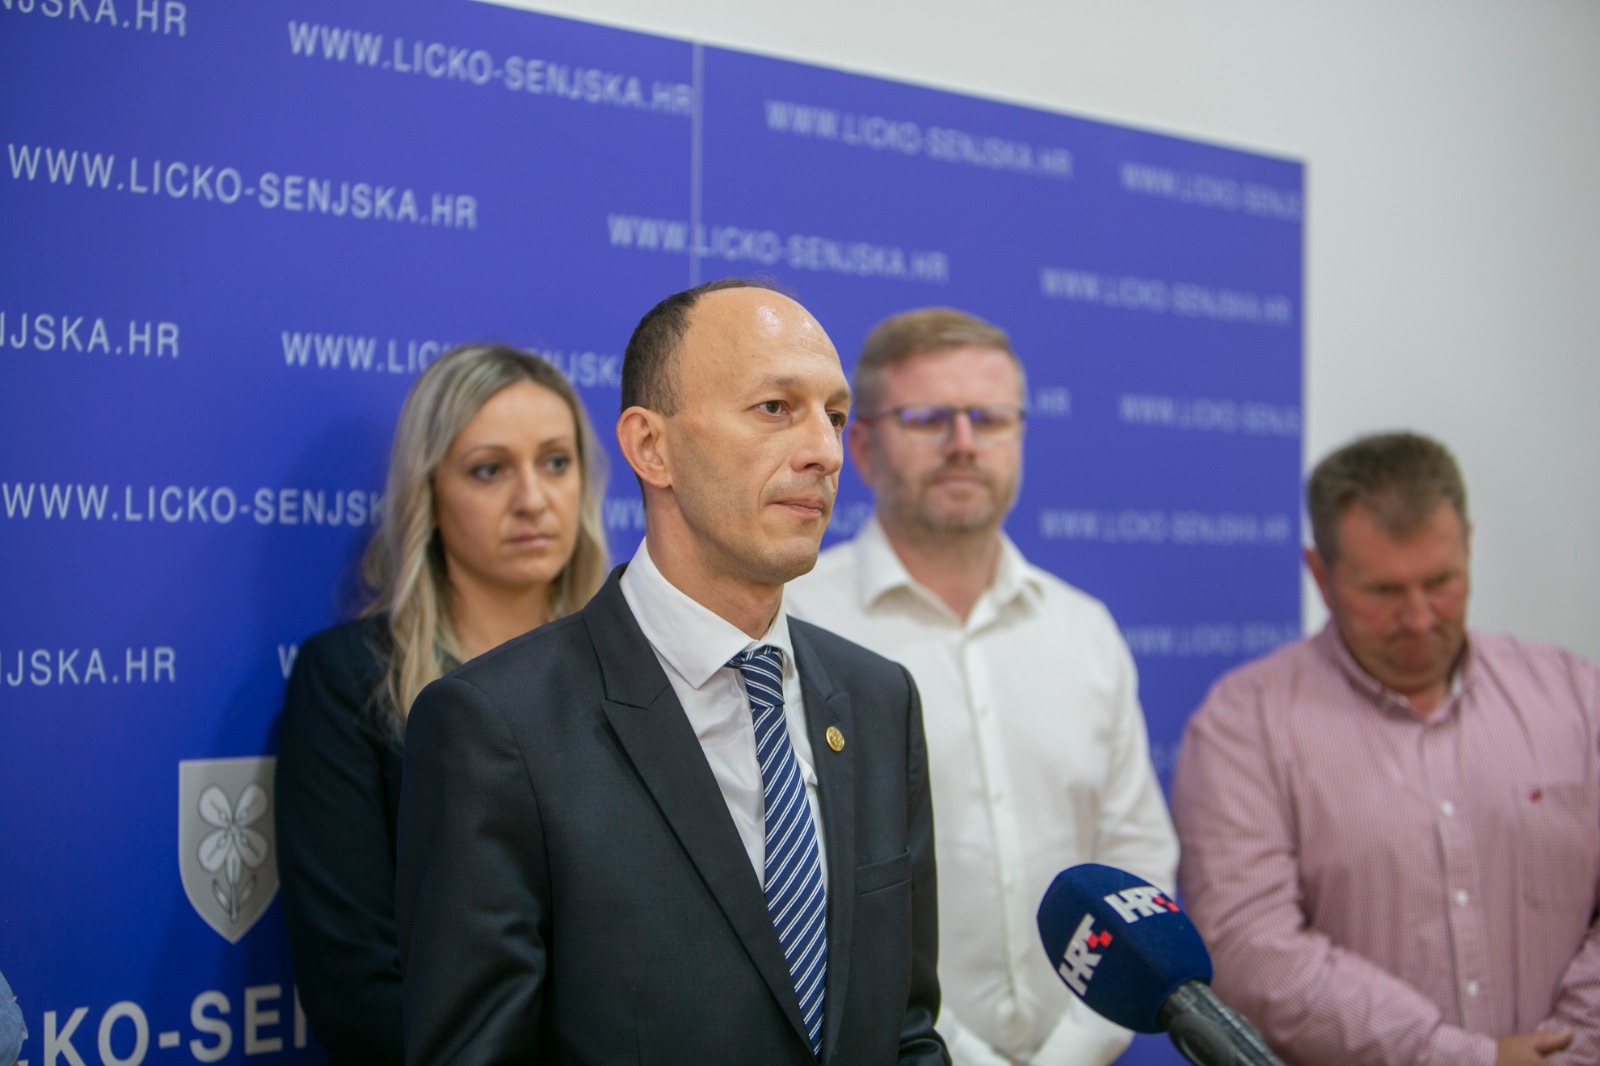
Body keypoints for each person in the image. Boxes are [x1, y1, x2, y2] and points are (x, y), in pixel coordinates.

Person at [395, 279, 947, 1065]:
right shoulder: (498, 726)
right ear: (651, 447)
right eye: (775, 408)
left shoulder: (878, 699)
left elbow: (906, 1029)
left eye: (832, 415)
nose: (825, 452)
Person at [787, 307, 1178, 1066]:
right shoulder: (796, 624)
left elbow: (1136, 863)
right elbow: (805, 893)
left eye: (990, 419)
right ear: (860, 448)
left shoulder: (1083, 630)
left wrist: (1075, 1050)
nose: (964, 443)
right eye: (928, 418)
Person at [1172, 431, 1600, 1066]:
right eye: (1384, 592)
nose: (1420, 618)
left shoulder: (1576, 696)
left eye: (1441, 580)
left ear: (1469, 547)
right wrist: (1458, 1057)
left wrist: (1575, 1046)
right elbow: (1248, 949)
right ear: (1321, 575)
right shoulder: (1244, 725)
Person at [274, 344, 610, 1065]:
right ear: (428, 492)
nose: (533, 498)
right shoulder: (350, 680)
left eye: (556, 462)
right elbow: (353, 987)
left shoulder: (634, 666)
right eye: (490, 470)